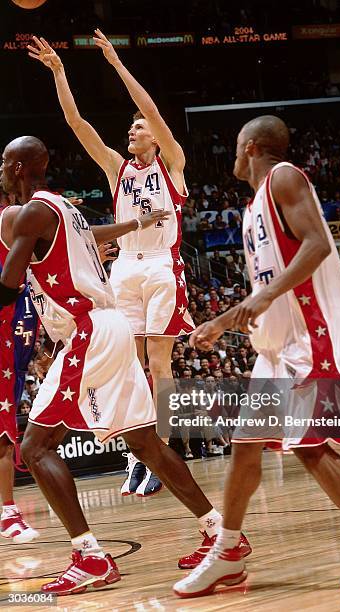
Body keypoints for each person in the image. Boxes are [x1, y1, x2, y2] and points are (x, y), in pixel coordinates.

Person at [0, 136, 250, 595]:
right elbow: (90, 239)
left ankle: (90, 557)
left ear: (17, 168)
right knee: (145, 443)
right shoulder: (63, 207)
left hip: (88, 329)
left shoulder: (30, 214)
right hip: (108, 325)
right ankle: (219, 532)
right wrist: (133, 223)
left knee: (34, 448)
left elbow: (7, 287)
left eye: (2, 162)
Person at [173, 116, 340, 597]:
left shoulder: (283, 176)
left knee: (308, 443)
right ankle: (229, 552)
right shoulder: (253, 206)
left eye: (236, 148)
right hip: (278, 349)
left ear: (252, 147)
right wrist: (221, 322)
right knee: (244, 444)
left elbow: (318, 244)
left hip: (314, 334)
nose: (232, 157)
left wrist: (262, 298)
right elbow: (264, 290)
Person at [28, 33, 195, 496]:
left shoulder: (172, 164)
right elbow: (77, 122)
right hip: (123, 268)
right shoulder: (117, 169)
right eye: (131, 128)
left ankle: (161, 450)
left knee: (159, 365)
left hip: (161, 266)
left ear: (156, 139)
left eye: (138, 128)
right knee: (129, 365)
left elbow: (154, 114)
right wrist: (61, 73)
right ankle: (136, 453)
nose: (132, 131)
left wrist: (116, 62)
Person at [0, 262, 39, 543]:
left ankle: (9, 513)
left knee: (4, 442)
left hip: (11, 364)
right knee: (4, 443)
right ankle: (9, 514)